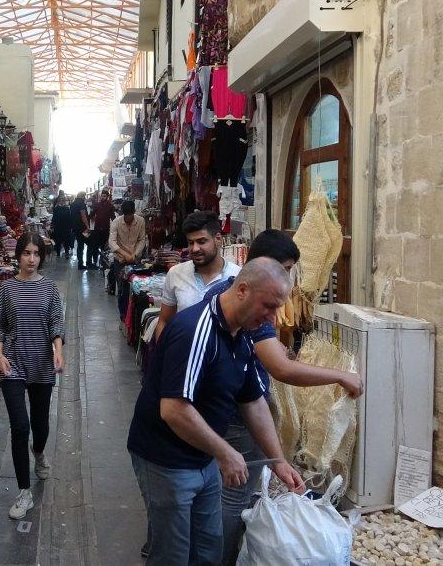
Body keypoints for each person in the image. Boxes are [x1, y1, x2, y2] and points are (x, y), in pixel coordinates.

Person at [128, 258, 306, 566]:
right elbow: (174, 409)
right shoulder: (195, 330)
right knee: (173, 553)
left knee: (209, 548)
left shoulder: (243, 333)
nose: (272, 318)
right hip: (165, 458)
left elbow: (252, 401)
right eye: (268, 306)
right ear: (243, 290)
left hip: (202, 454)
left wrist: (278, 460)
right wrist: (224, 452)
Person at [204, 229, 364, 565]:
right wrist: (340, 375)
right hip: (237, 416)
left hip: (232, 409)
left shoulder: (225, 291)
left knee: (224, 494)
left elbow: (265, 362)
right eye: (287, 268)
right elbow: (279, 369)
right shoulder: (255, 307)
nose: (288, 279)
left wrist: (277, 460)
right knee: (234, 498)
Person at [0, 233, 66, 520]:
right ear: (18, 255)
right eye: (26, 253)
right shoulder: (7, 290)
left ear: (41, 257)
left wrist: (58, 351)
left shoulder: (49, 289)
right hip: (13, 362)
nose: (31, 259)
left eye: (36, 253)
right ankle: (24, 492)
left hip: (42, 363)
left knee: (40, 425)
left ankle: (39, 452)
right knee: (20, 427)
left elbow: (56, 323)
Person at [154, 211, 242, 339]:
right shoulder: (176, 274)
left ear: (218, 239)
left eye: (201, 242)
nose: (195, 249)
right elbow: (165, 321)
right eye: (191, 243)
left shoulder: (237, 277)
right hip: (183, 356)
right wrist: (165, 354)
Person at [88, 189, 115, 270]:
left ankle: (103, 264)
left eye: (104, 196)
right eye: (102, 196)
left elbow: (113, 217)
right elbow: (91, 215)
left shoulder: (110, 206)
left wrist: (117, 224)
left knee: (104, 248)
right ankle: (95, 262)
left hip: (105, 229)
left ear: (107, 197)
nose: (102, 197)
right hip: (97, 229)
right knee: (95, 247)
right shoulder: (97, 205)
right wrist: (89, 219)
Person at [70, 192, 90, 270]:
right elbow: (83, 216)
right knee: (90, 243)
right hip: (83, 228)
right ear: (82, 196)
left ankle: (80, 263)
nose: (85, 198)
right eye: (84, 196)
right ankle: (87, 263)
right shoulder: (81, 203)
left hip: (75, 228)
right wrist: (88, 227)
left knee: (80, 245)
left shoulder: (72, 204)